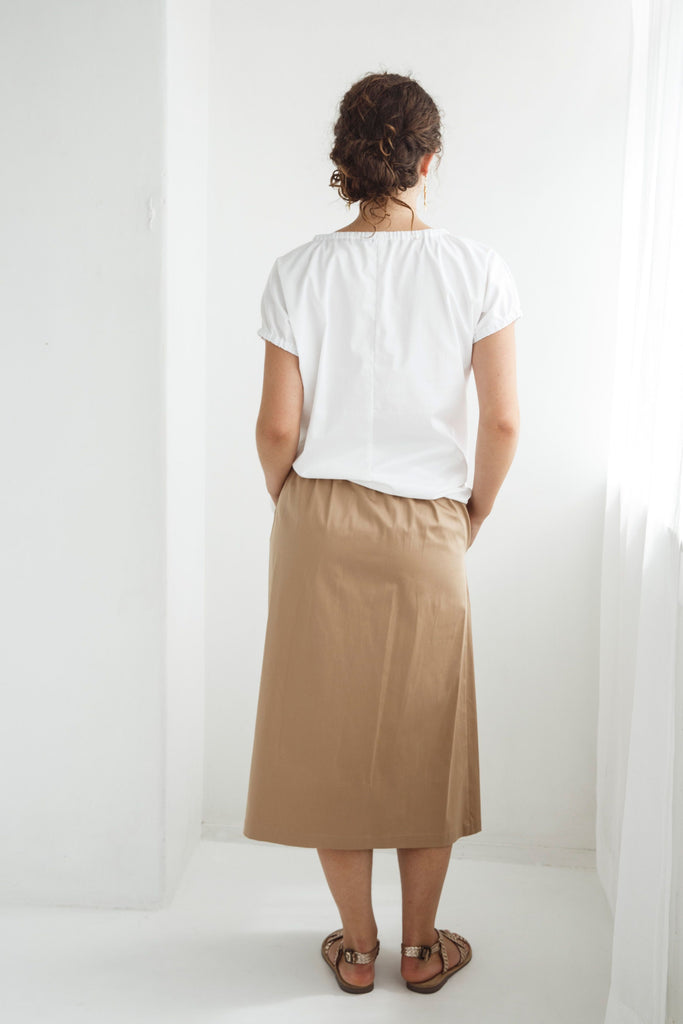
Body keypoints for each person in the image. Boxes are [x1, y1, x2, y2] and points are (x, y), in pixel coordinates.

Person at [243, 70, 522, 995]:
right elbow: (503, 422)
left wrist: (293, 503)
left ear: (347, 161)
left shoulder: (297, 270)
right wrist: (472, 511)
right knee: (423, 737)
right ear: (427, 160)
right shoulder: (476, 267)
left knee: (330, 739)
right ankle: (421, 945)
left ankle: (355, 947)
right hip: (427, 529)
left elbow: (277, 428)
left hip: (319, 517)